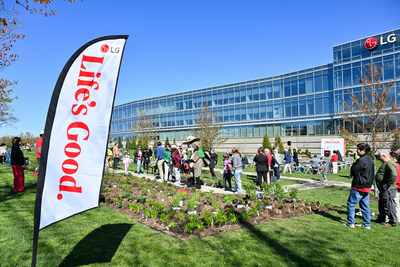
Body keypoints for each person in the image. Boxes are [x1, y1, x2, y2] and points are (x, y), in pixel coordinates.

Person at [344, 143, 374, 229]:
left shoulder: (361, 160)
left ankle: (351, 223)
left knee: (351, 204)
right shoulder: (369, 159)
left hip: (359, 185)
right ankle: (367, 224)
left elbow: (353, 170)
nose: (357, 151)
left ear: (363, 151)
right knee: (365, 206)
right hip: (367, 185)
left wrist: (355, 161)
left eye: (358, 149)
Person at [375, 150, 398, 227]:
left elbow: (394, 175)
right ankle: (381, 218)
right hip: (384, 188)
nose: (379, 158)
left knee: (389, 205)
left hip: (388, 189)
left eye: (379, 156)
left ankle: (392, 222)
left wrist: (388, 184)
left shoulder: (389, 163)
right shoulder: (387, 163)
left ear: (384, 156)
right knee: (382, 204)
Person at [390, 152, 400, 223]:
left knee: (393, 203)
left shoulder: (394, 166)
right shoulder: (399, 165)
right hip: (397, 187)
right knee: (396, 202)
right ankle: (398, 218)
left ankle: (394, 218)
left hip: (395, 186)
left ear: (393, 158)